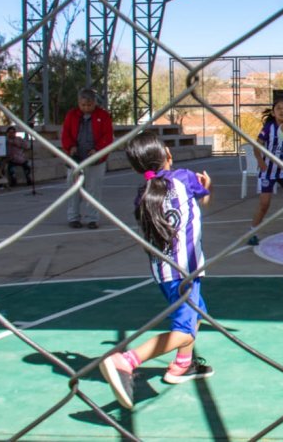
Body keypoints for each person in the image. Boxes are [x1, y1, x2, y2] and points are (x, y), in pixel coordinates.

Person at [100, 132, 214, 410]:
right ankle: (127, 360)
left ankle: (182, 365)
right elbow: (203, 199)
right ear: (167, 155)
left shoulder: (144, 193)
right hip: (186, 269)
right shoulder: (185, 178)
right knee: (185, 330)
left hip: (164, 271)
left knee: (197, 309)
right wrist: (207, 186)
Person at [245, 99, 283, 246]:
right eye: (279, 108)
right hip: (268, 171)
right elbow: (257, 146)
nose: (282, 111)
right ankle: (252, 232)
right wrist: (260, 161)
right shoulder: (268, 128)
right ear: (274, 112)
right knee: (264, 204)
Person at [61, 88, 114, 229]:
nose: (86, 108)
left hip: (95, 159)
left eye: (89, 105)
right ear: (79, 103)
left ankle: (92, 218)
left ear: (94, 103)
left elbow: (107, 136)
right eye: (83, 105)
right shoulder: (71, 115)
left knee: (93, 189)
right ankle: (73, 217)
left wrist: (98, 150)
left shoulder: (103, 116)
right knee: (73, 189)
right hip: (75, 158)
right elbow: (65, 133)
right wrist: (70, 147)